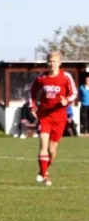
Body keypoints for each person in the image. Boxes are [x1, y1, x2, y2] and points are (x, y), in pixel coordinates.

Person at [29, 51, 77, 186]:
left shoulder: (66, 77)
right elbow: (32, 92)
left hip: (60, 117)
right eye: (49, 61)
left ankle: (43, 171)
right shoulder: (41, 78)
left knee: (52, 150)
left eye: (54, 61)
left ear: (60, 63)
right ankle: (45, 176)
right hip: (44, 116)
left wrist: (66, 100)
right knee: (43, 144)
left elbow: (74, 93)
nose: (51, 64)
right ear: (47, 62)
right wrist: (33, 107)